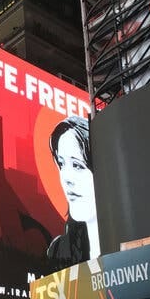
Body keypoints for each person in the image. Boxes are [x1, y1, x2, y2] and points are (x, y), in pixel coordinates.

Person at [47, 115, 100, 271]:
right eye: (62, 164)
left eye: (77, 165)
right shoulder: (58, 250)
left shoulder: (131, 240)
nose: (67, 178)